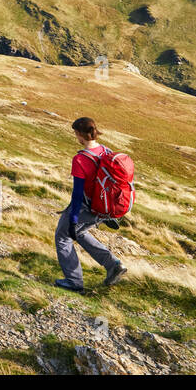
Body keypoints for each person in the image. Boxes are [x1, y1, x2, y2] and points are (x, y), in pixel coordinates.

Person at [54, 117, 127, 292]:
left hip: (87, 206)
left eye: (75, 133)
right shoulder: (105, 151)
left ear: (80, 134)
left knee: (63, 236)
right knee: (80, 232)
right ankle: (113, 265)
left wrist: (72, 217)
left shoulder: (80, 159)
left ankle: (74, 281)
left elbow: (78, 193)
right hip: (105, 207)